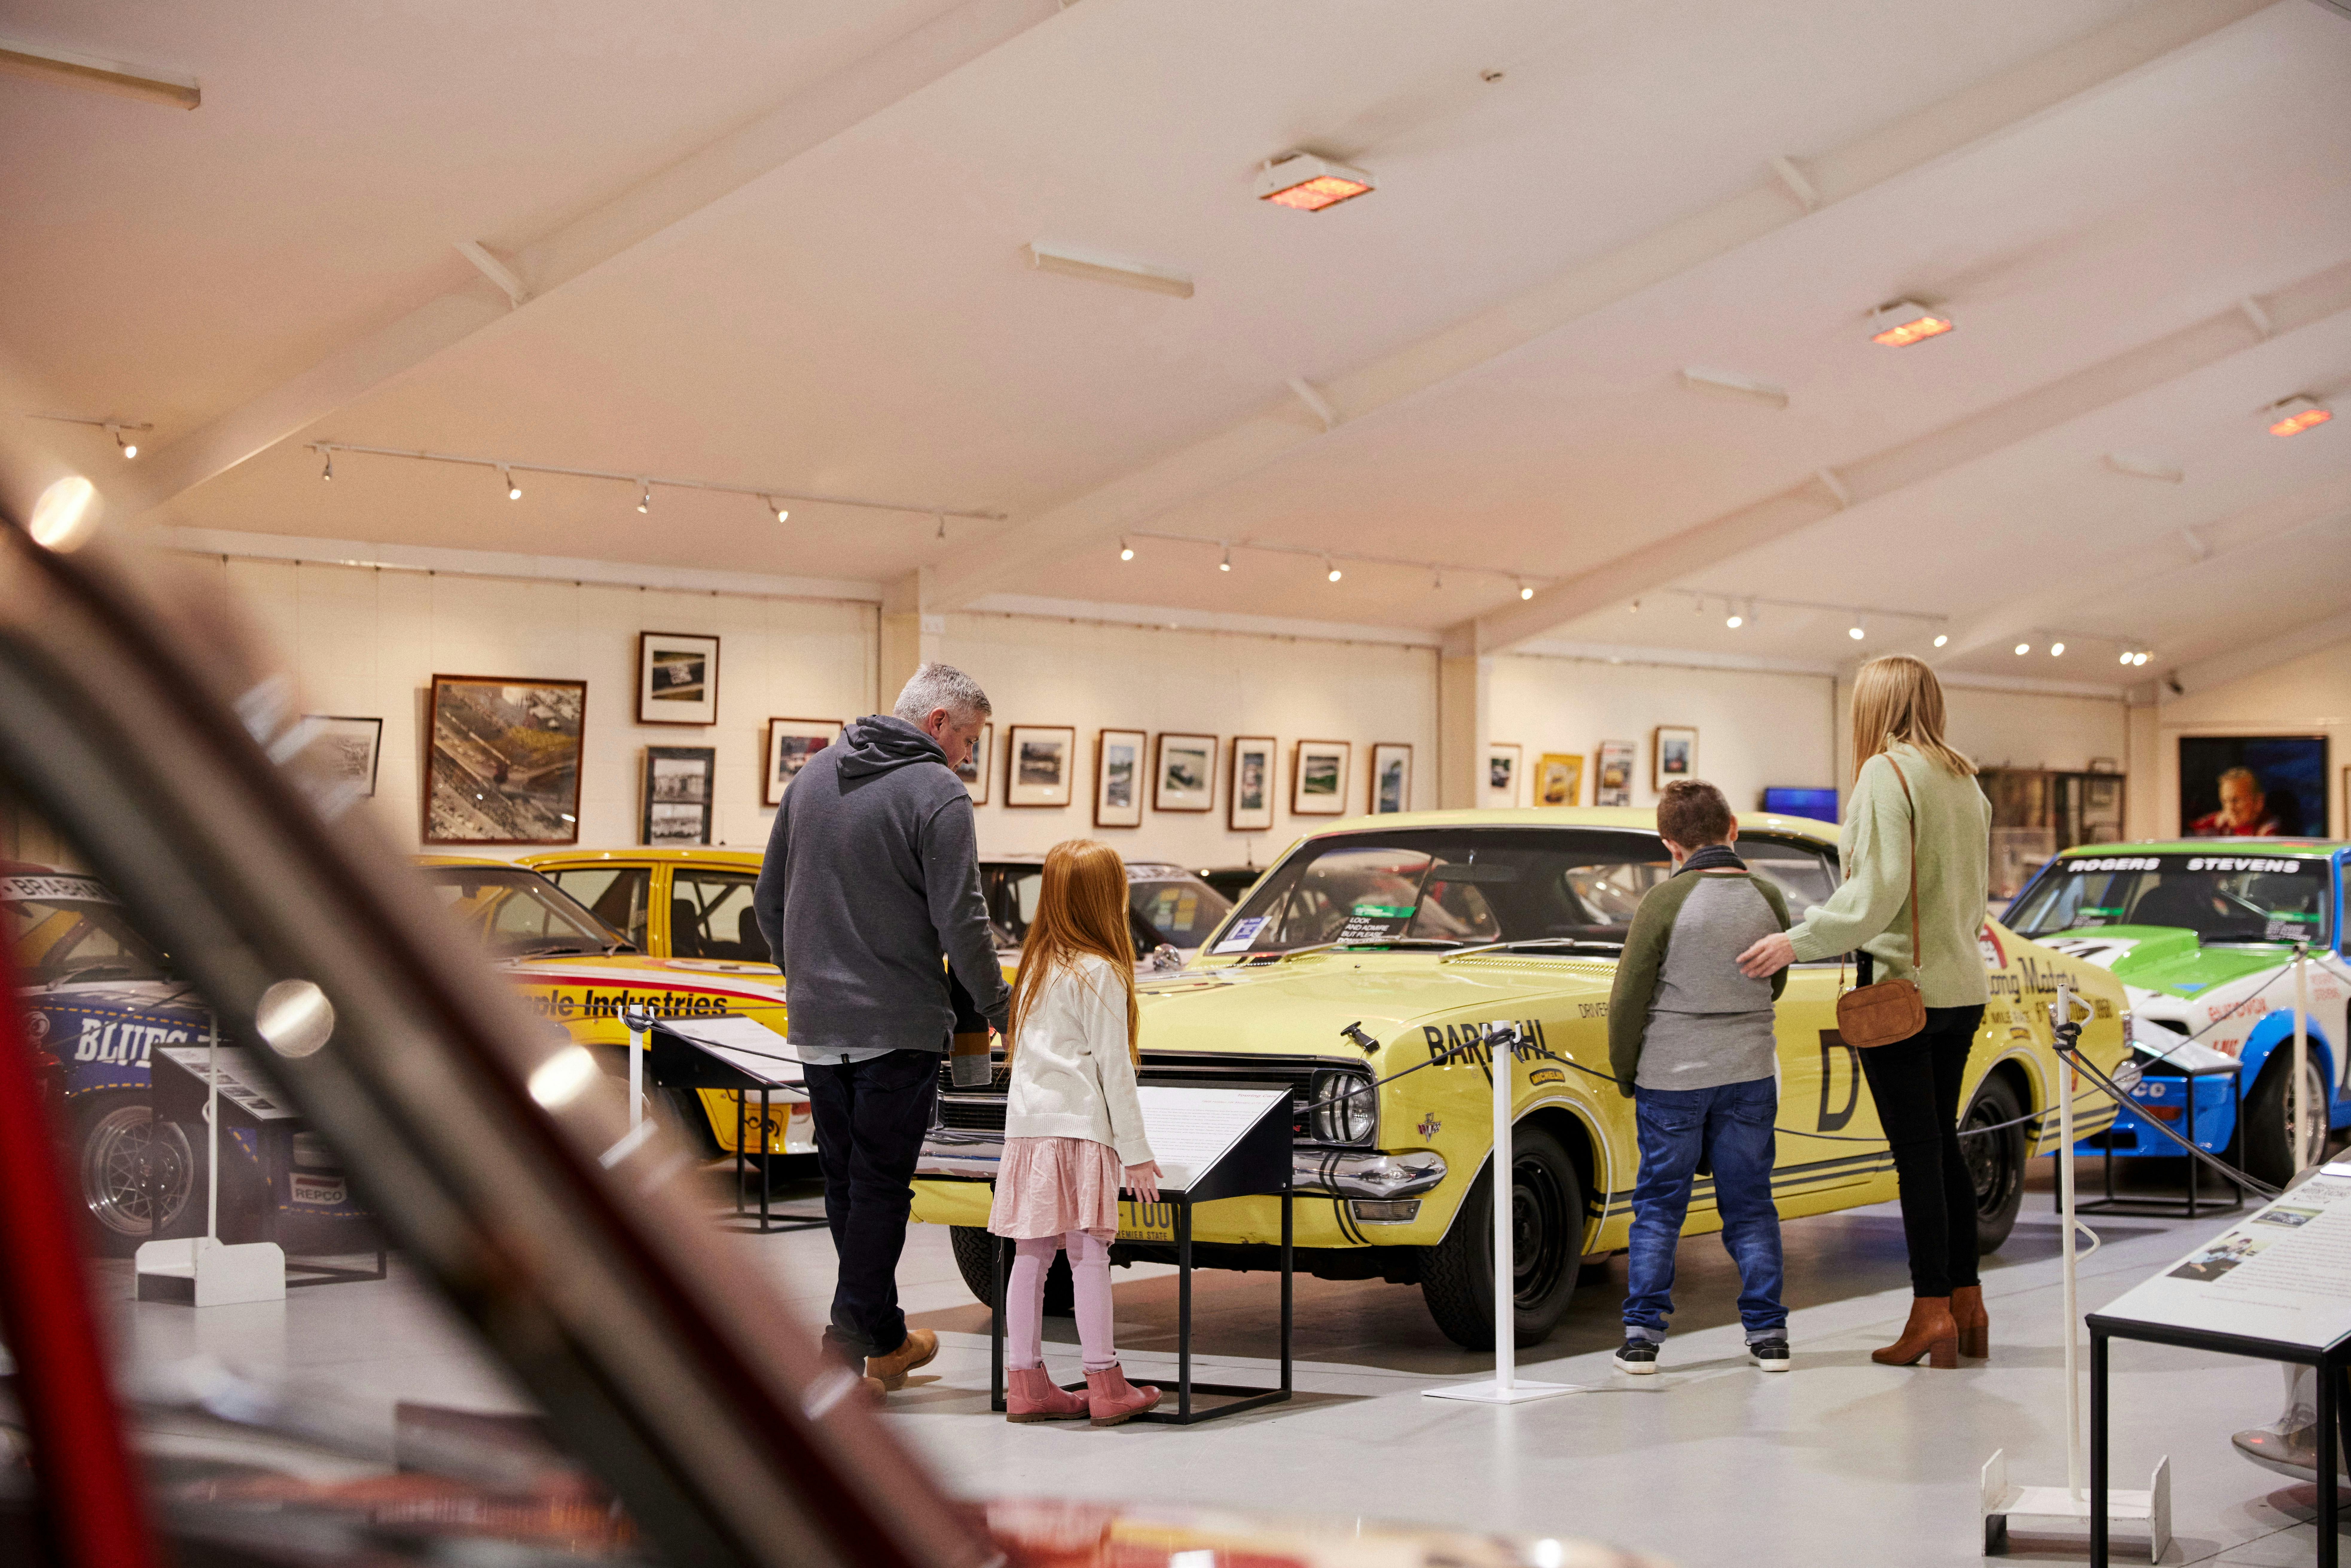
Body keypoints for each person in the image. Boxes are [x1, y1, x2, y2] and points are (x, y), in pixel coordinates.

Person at [754, 662, 1011, 1398]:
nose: (968, 756)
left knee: (844, 1183)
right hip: (896, 1022)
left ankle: (887, 1337)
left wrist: (801, 975)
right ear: (937, 724)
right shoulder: (937, 793)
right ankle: (841, 1352)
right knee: (878, 1187)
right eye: (968, 739)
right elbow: (960, 921)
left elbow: (768, 899)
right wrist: (999, 1007)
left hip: (815, 1022)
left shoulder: (811, 778)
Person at [1737, 654, 1992, 1369]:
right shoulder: (1965, 778)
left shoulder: (1888, 772)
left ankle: (1930, 1311)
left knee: (1918, 1158)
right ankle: (1967, 1306)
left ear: (1874, 706)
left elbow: (1874, 893)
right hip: (1962, 987)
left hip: (1901, 994)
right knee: (1942, 1150)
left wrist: (1795, 941)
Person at [1607, 780, 1794, 1375]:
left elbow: (1628, 998)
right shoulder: (1767, 896)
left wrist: (1625, 1071)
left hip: (1671, 1076)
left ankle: (1641, 1339)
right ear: (1732, 828)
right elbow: (1775, 981)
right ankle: (1768, 1337)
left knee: (1660, 1207)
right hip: (1747, 1072)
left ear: (1670, 844)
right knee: (1750, 1205)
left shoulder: (1663, 903)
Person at [988, 839, 1164, 1426]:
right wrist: (1136, 1154)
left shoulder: (1034, 969)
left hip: (1027, 1131)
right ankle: (1105, 1382)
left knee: (1030, 1255)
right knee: (1089, 1252)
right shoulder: (1100, 972)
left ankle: (1025, 1382)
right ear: (1104, 898)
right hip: (1080, 1129)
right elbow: (1115, 1071)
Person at [2188, 766, 2281, 837]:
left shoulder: (2270, 828)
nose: (2230, 808)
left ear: (2258, 802)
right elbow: (2187, 834)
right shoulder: (2219, 822)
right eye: (2225, 801)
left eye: (2236, 800)